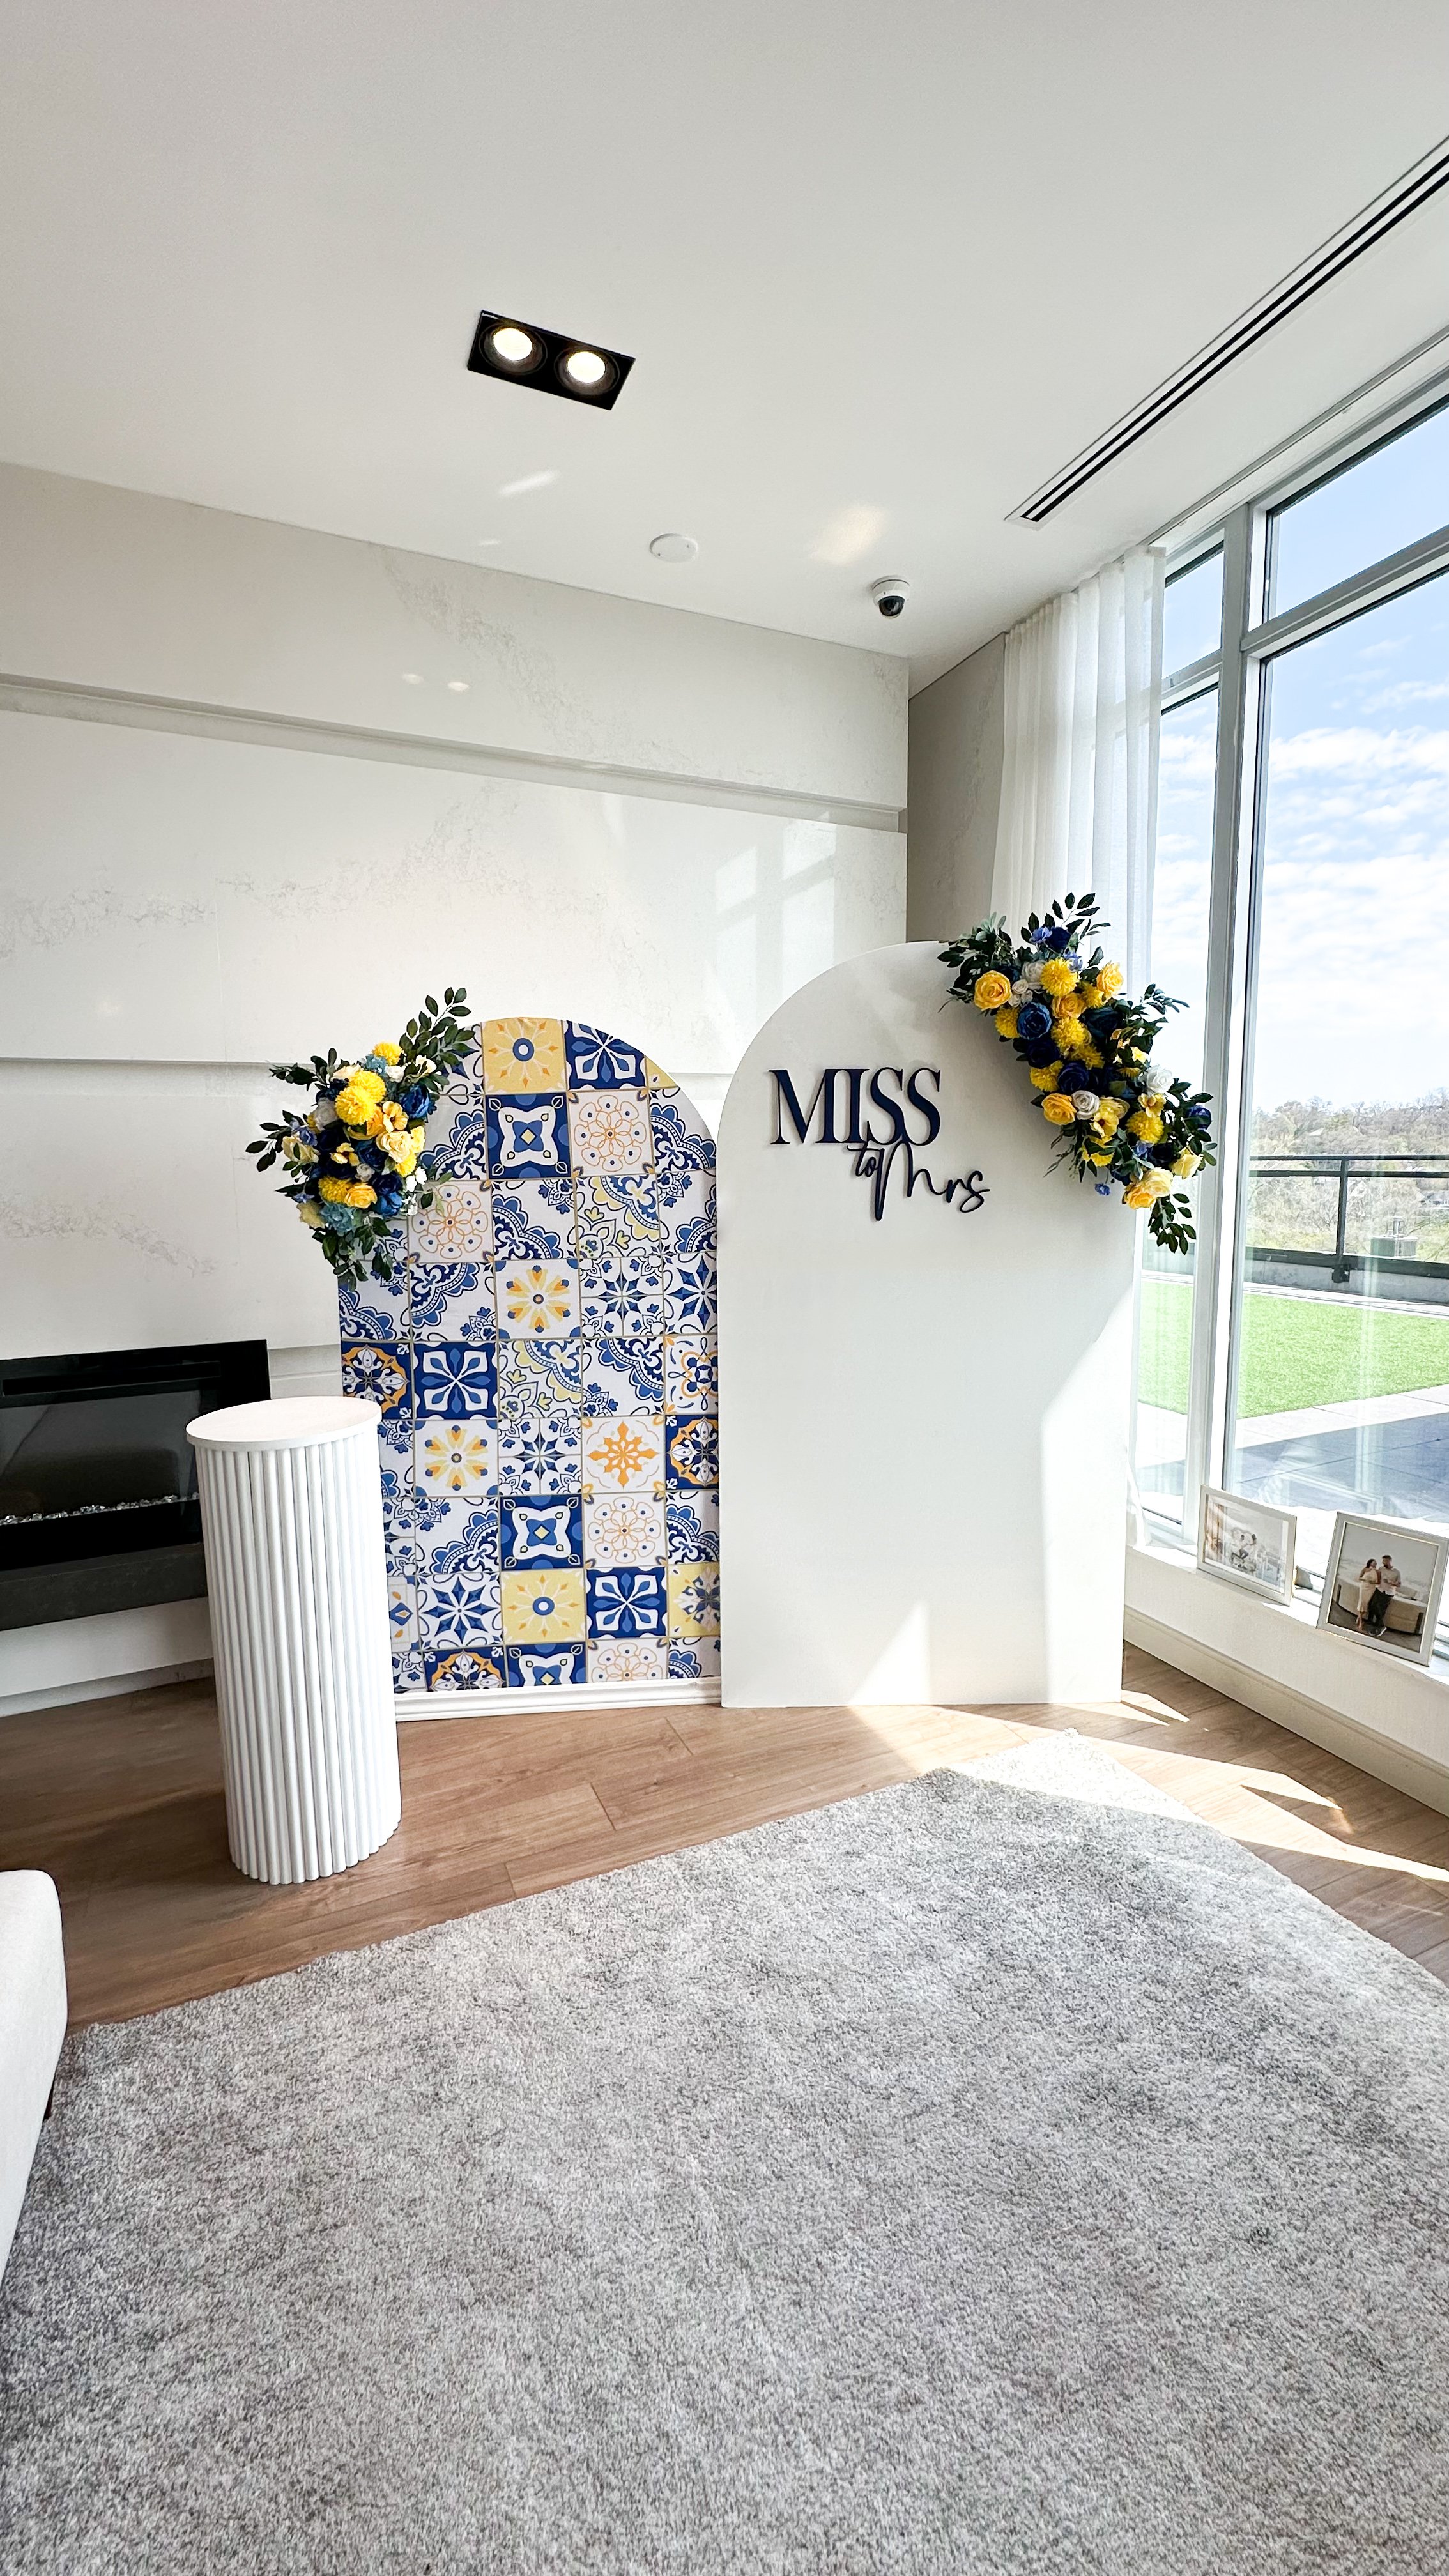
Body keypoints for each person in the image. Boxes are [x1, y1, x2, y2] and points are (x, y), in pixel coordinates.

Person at [1366, 1553, 1401, 1637]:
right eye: (1383, 1561)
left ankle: (1380, 1627)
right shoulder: (1381, 1569)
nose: (1383, 1563)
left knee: (1380, 1611)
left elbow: (1399, 1585)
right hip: (1379, 1590)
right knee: (1371, 1606)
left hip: (1388, 1594)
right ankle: (1372, 1624)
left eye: (1385, 1561)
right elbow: (1377, 1578)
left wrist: (1390, 1582)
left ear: (1390, 1561)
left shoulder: (1397, 1572)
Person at [1354, 1558, 1381, 1632]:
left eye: (1376, 1562)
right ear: (1370, 1562)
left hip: (1371, 1589)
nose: (1375, 1563)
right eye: (1374, 1562)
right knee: (1361, 1603)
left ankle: (1359, 1618)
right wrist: (1365, 1580)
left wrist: (1373, 1582)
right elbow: (1360, 1578)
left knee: (1365, 1605)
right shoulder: (1365, 1569)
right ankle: (1360, 1622)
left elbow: (1378, 1583)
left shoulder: (1377, 1572)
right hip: (1364, 1588)